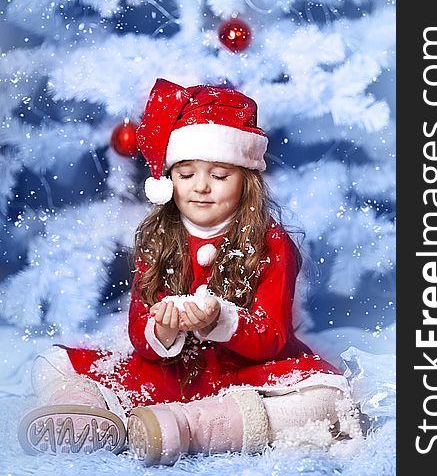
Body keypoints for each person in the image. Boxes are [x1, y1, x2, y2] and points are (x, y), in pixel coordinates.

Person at [18, 78, 361, 465]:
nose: (201, 188)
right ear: (169, 181)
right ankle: (84, 411)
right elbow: (139, 329)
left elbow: (273, 337)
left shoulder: (273, 243)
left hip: (245, 375)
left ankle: (188, 427)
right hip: (171, 372)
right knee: (55, 361)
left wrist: (221, 319)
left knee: (329, 400)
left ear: (246, 182)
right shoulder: (159, 238)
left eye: (218, 176)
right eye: (186, 175)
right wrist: (162, 329)